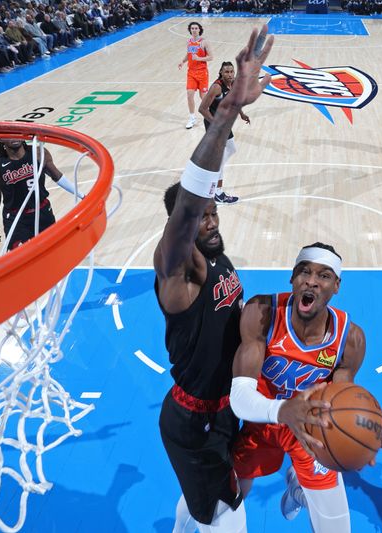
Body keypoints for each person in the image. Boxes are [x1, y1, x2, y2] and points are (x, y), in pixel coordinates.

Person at [155, 25, 273, 533]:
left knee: (201, 507)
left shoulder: (219, 256)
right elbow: (185, 208)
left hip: (224, 408)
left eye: (211, 213)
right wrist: (222, 113)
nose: (211, 220)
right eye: (201, 216)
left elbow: (233, 319)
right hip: (193, 421)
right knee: (225, 517)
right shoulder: (178, 271)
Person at [230, 243, 372, 533]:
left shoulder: (350, 339)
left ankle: (299, 488)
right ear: (292, 279)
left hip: (308, 433)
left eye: (324, 275)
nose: (311, 280)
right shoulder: (263, 313)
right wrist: (283, 412)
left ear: (337, 286)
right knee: (223, 501)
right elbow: (240, 397)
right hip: (261, 419)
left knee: (338, 528)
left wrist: (359, 438)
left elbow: (339, 402)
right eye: (304, 272)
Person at [0, 139, 82, 250]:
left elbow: (57, 176)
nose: (13, 137)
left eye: (16, 132)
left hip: (43, 213)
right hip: (15, 218)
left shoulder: (39, 153)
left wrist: (81, 195)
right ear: (1, 139)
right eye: (8, 134)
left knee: (53, 251)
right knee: (19, 258)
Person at [198, 61, 251, 204]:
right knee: (221, 157)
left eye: (231, 72)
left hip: (223, 123)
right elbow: (202, 109)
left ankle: (212, 170)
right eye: (226, 72)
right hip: (213, 123)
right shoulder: (216, 87)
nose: (229, 74)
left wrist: (241, 113)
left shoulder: (233, 84)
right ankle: (218, 193)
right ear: (221, 73)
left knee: (230, 149)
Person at [178, 21, 213, 129]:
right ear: (190, 30)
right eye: (192, 28)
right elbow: (189, 55)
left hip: (202, 72)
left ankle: (211, 116)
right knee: (189, 95)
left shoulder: (204, 42)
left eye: (196, 28)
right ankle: (192, 118)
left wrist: (199, 59)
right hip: (191, 72)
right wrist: (183, 61)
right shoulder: (189, 41)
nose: (194, 30)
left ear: (199, 29)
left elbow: (211, 57)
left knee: (203, 97)